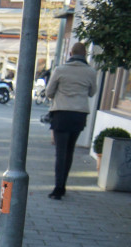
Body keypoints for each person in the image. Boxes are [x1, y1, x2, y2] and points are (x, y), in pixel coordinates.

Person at [44, 42, 99, 199]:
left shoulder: (60, 70)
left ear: (70, 53)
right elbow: (92, 92)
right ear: (85, 54)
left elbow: (49, 92)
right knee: (70, 151)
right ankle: (64, 185)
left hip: (61, 113)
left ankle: (58, 187)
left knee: (60, 152)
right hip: (79, 114)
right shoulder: (90, 72)